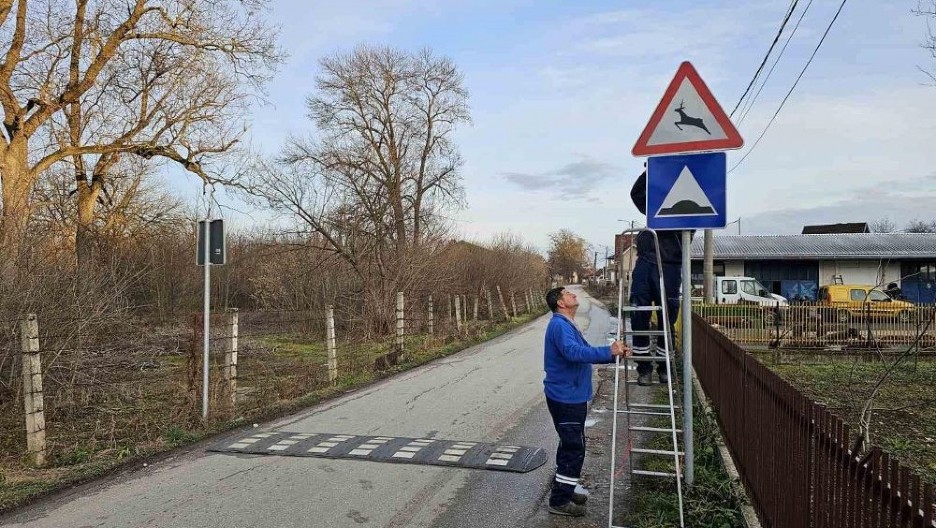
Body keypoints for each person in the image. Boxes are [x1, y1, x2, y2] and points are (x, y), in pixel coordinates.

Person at [543, 286, 629, 517]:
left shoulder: (567, 324)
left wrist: (612, 354)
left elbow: (585, 351)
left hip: (571, 395)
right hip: (566, 397)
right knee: (574, 448)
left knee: (569, 444)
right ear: (561, 303)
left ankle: (565, 489)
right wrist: (608, 350)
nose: (574, 295)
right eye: (569, 294)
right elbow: (573, 353)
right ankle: (559, 501)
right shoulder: (559, 326)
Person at [629, 170, 689, 386]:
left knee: (667, 319)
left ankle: (664, 368)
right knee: (638, 315)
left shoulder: (690, 207)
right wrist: (652, 170)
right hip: (646, 262)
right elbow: (636, 193)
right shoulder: (654, 206)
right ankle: (644, 369)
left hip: (670, 265)